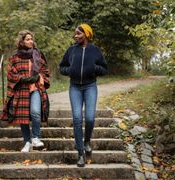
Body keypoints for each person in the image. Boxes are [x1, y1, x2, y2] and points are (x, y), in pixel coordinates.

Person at [59, 23, 107, 167]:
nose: (76, 36)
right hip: (74, 87)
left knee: (90, 118)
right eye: (75, 34)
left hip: (90, 86)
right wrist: (71, 71)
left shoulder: (95, 51)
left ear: (86, 34)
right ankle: (80, 153)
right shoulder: (71, 50)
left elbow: (104, 69)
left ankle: (87, 141)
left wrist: (94, 68)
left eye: (79, 33)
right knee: (77, 118)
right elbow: (62, 67)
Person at [1, 30, 50, 153]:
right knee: (23, 118)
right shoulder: (15, 57)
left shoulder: (38, 55)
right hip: (21, 89)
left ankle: (35, 138)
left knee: (35, 112)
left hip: (35, 88)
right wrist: (23, 79)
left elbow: (45, 70)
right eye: (27, 39)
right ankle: (27, 142)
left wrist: (40, 77)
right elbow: (11, 73)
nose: (30, 41)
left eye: (31, 39)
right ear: (21, 41)